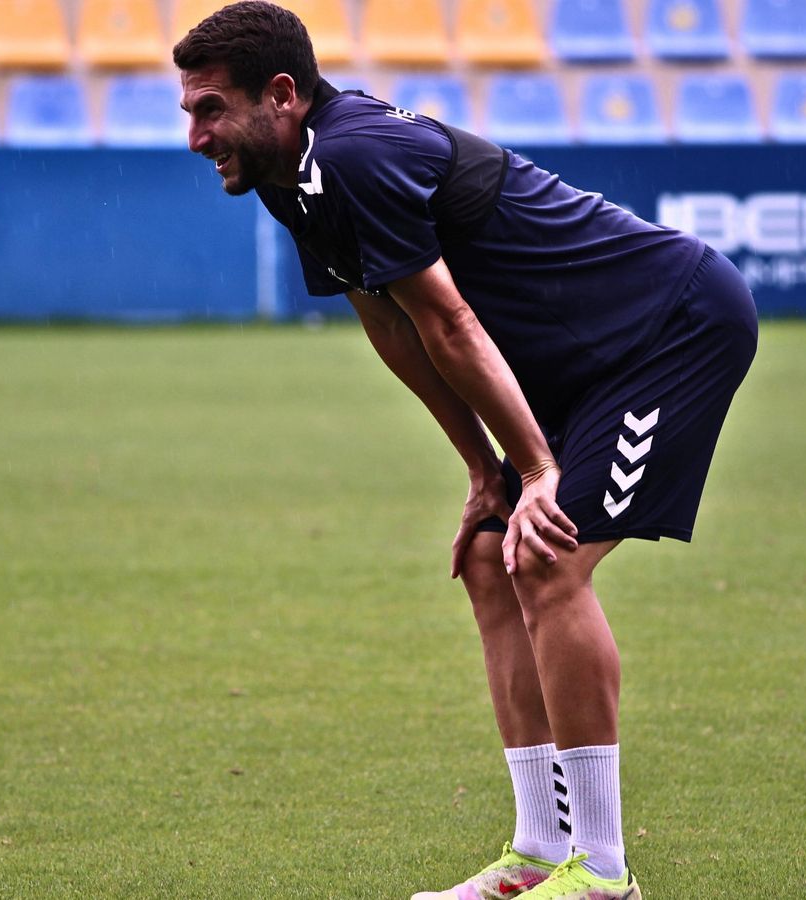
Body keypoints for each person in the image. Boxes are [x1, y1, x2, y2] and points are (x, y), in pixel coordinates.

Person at [174, 4, 756, 898]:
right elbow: (395, 329)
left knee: (546, 558)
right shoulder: (292, 180)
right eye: (188, 111)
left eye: (209, 109)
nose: (195, 135)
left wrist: (535, 472)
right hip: (580, 368)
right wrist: (486, 473)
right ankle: (536, 850)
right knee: (492, 556)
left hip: (667, 332)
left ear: (282, 95)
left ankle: (602, 874)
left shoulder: (355, 156)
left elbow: (448, 318)